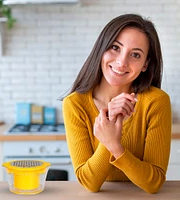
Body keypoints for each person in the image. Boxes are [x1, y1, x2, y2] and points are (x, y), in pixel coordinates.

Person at [62, 13, 172, 194]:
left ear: (145, 64)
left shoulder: (156, 102)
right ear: (101, 49)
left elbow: (154, 183)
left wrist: (114, 145)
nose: (121, 62)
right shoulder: (75, 104)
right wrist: (108, 134)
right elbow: (90, 183)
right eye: (115, 47)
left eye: (135, 54)